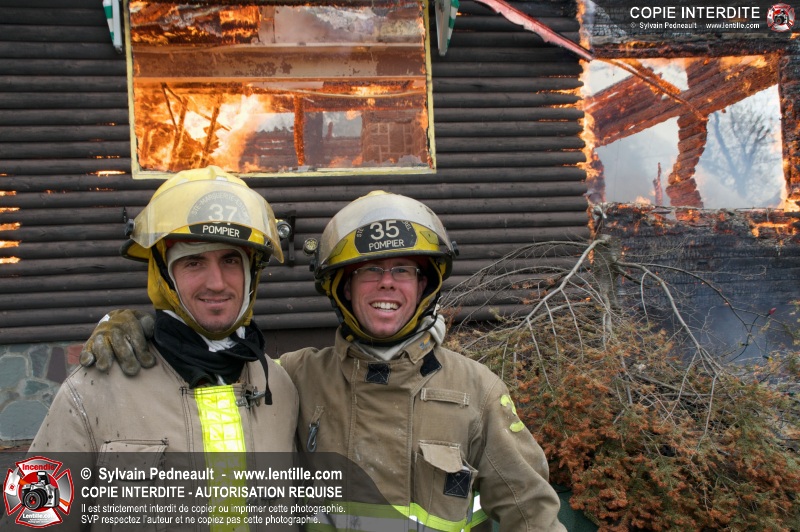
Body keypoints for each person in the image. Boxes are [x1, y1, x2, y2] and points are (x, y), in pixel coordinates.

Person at [80, 190, 566, 531]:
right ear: (343, 288)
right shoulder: (289, 378)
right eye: (369, 271)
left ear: (425, 286)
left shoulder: (476, 391)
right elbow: (208, 367)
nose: (387, 283)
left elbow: (532, 514)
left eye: (403, 270)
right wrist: (145, 329)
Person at [13, 166, 299, 530]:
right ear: (163, 274)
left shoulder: (280, 389)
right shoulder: (93, 390)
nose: (216, 282)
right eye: (194, 262)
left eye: (230, 260)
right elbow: (30, 517)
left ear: (252, 274)